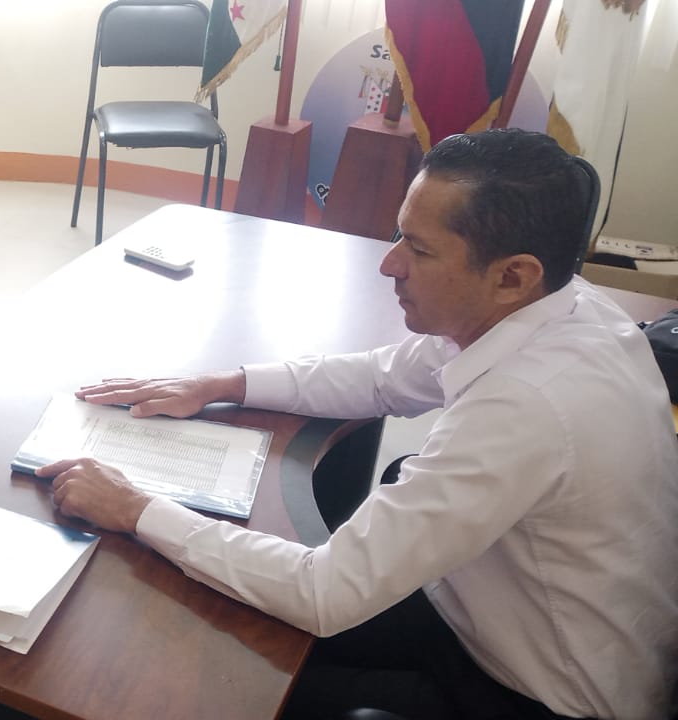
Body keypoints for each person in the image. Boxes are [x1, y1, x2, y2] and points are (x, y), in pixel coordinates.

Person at [36, 129, 678, 720]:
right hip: (499, 612)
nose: (389, 263)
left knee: (214, 687)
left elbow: (324, 593)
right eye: (400, 234)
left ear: (513, 275)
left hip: (540, 694)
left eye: (419, 249)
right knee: (226, 620)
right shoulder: (567, 305)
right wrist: (222, 384)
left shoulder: (526, 405)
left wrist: (135, 507)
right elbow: (384, 377)